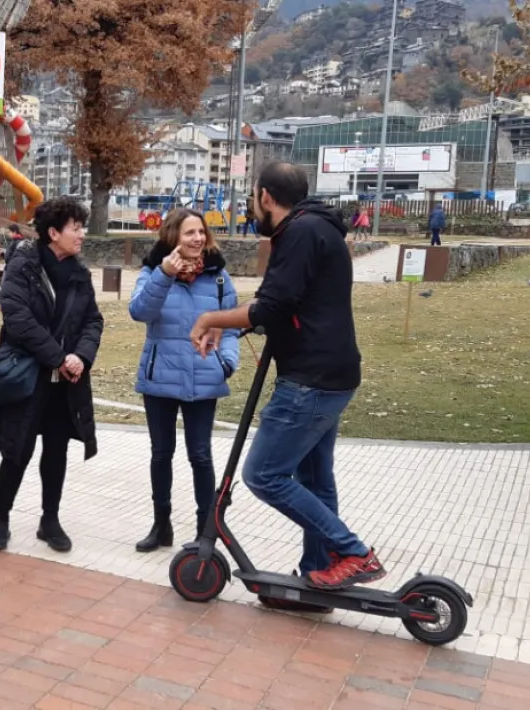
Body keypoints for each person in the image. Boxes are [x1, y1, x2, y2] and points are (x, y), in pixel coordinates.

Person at [188, 161, 385, 606]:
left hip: (311, 380)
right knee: (315, 477)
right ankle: (321, 568)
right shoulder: (317, 228)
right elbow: (286, 302)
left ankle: (354, 552)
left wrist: (210, 318)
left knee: (264, 473)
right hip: (333, 373)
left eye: (252, 197)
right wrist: (233, 324)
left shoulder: (298, 233)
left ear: (265, 197)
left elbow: (272, 307)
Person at [0, 196, 104, 554]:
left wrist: (81, 356)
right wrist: (58, 356)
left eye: (81, 227)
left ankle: (50, 520)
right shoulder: (24, 266)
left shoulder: (79, 274)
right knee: (16, 449)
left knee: (57, 450)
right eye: (75, 228)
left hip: (66, 382)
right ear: (53, 233)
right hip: (28, 376)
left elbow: (93, 320)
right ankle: (1, 518)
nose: (81, 235)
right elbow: (17, 319)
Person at [129, 208, 239, 552]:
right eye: (190, 233)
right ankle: (161, 525)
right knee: (161, 454)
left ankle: (205, 532)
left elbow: (232, 326)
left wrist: (227, 363)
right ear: (173, 237)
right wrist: (164, 274)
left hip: (204, 376)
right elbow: (139, 312)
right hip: (160, 377)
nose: (198, 239)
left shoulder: (219, 277)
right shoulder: (153, 271)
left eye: (201, 232)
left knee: (201, 455)